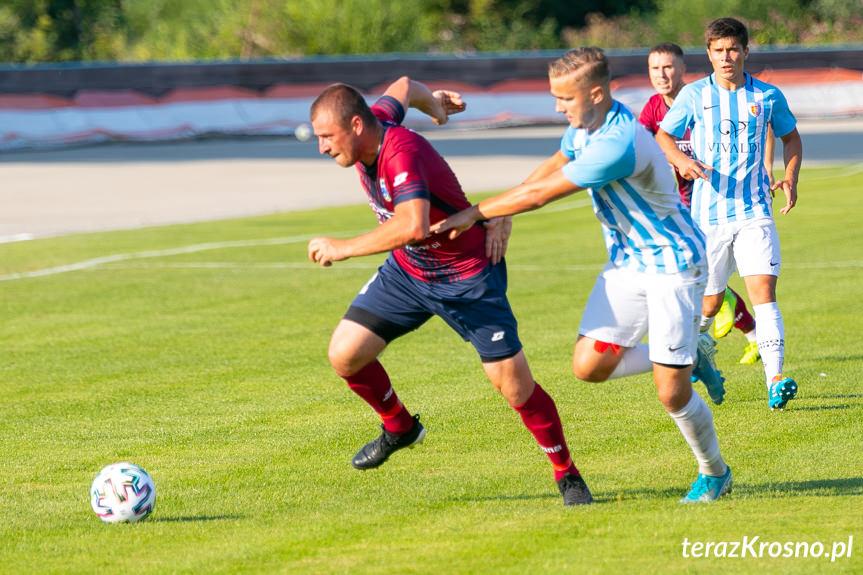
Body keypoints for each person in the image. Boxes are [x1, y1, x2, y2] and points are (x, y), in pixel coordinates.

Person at [432, 48, 732, 503]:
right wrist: (504, 212)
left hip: (673, 265)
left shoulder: (618, 143)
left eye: (564, 98)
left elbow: (544, 194)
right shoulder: (587, 126)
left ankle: (715, 473)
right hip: (629, 264)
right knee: (588, 367)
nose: (558, 107)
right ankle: (693, 353)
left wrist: (474, 214)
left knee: (671, 394)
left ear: (595, 92)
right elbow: (553, 164)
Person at [307, 76, 593, 506]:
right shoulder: (377, 119)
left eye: (328, 137)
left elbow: (412, 226)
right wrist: (434, 106)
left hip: (468, 276)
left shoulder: (399, 151)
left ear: (356, 125)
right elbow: (404, 85)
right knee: (346, 354)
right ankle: (400, 427)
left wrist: (342, 248)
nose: (323, 147)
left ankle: (566, 473)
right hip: (410, 273)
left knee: (515, 388)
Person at [655, 18, 803, 410]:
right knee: (708, 304)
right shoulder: (693, 96)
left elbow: (791, 137)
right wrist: (680, 162)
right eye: (718, 50)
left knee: (764, 295)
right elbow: (663, 136)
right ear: (709, 54)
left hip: (755, 212)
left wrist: (789, 176)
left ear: (745, 52)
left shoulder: (768, 96)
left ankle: (775, 378)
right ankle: (699, 350)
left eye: (733, 49)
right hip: (708, 219)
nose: (726, 57)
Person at [638, 42, 760, 367]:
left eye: (668, 67)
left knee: (694, 270)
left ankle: (699, 337)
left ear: (681, 69)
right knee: (694, 269)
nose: (662, 75)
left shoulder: (702, 99)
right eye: (655, 68)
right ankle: (747, 330)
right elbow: (645, 150)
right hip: (675, 201)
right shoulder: (651, 109)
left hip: (710, 199)